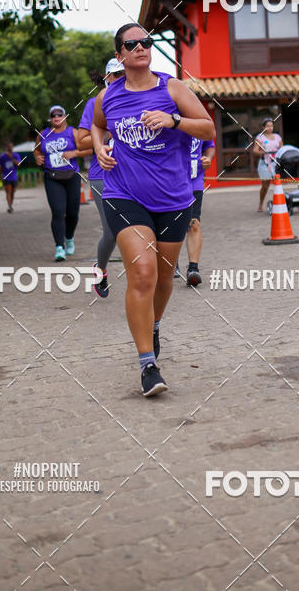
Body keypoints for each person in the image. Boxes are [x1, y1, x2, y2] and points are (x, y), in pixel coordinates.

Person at [91, 23, 215, 397]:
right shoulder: (108, 97)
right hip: (124, 195)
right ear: (120, 54)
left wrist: (174, 120)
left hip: (174, 199)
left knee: (163, 278)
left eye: (147, 42)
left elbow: (208, 129)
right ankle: (148, 364)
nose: (142, 47)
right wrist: (99, 147)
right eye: (133, 43)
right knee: (142, 273)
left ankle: (154, 324)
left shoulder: (172, 88)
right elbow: (97, 127)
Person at [76, 58, 124, 297]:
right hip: (103, 176)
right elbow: (81, 140)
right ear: (107, 78)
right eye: (114, 75)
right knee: (113, 232)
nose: (119, 79)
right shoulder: (95, 103)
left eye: (123, 74)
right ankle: (101, 269)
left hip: (134, 175)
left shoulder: (137, 100)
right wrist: (105, 133)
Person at [34, 105, 92, 261]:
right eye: (53, 115)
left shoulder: (72, 132)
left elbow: (90, 149)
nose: (56, 117)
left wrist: (74, 153)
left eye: (60, 114)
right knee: (58, 212)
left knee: (72, 213)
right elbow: (37, 150)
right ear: (50, 118)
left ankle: (69, 237)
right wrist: (37, 157)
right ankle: (59, 247)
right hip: (52, 177)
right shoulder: (44, 134)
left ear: (65, 116)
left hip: (72, 176)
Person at [182, 137, 215, 286]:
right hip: (170, 183)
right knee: (170, 225)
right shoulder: (170, 119)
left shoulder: (202, 122)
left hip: (194, 182)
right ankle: (170, 264)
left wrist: (208, 157)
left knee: (193, 224)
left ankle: (193, 269)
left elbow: (209, 145)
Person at [252, 118, 283, 211]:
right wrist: (262, 152)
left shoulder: (278, 137)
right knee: (265, 186)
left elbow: (282, 149)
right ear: (263, 127)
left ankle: (279, 204)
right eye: (268, 126)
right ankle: (261, 203)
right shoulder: (260, 137)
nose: (270, 128)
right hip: (264, 164)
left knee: (278, 184)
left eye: (271, 126)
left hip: (275, 163)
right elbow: (255, 150)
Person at [0, 141, 22, 213]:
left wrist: (11, 158)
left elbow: (19, 164)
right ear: (7, 148)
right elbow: (0, 167)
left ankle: (11, 205)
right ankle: (10, 206)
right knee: (8, 191)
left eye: (12, 146)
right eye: (9, 147)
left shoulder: (16, 155)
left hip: (14, 176)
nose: (11, 148)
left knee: (13, 192)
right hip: (6, 176)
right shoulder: (2, 156)